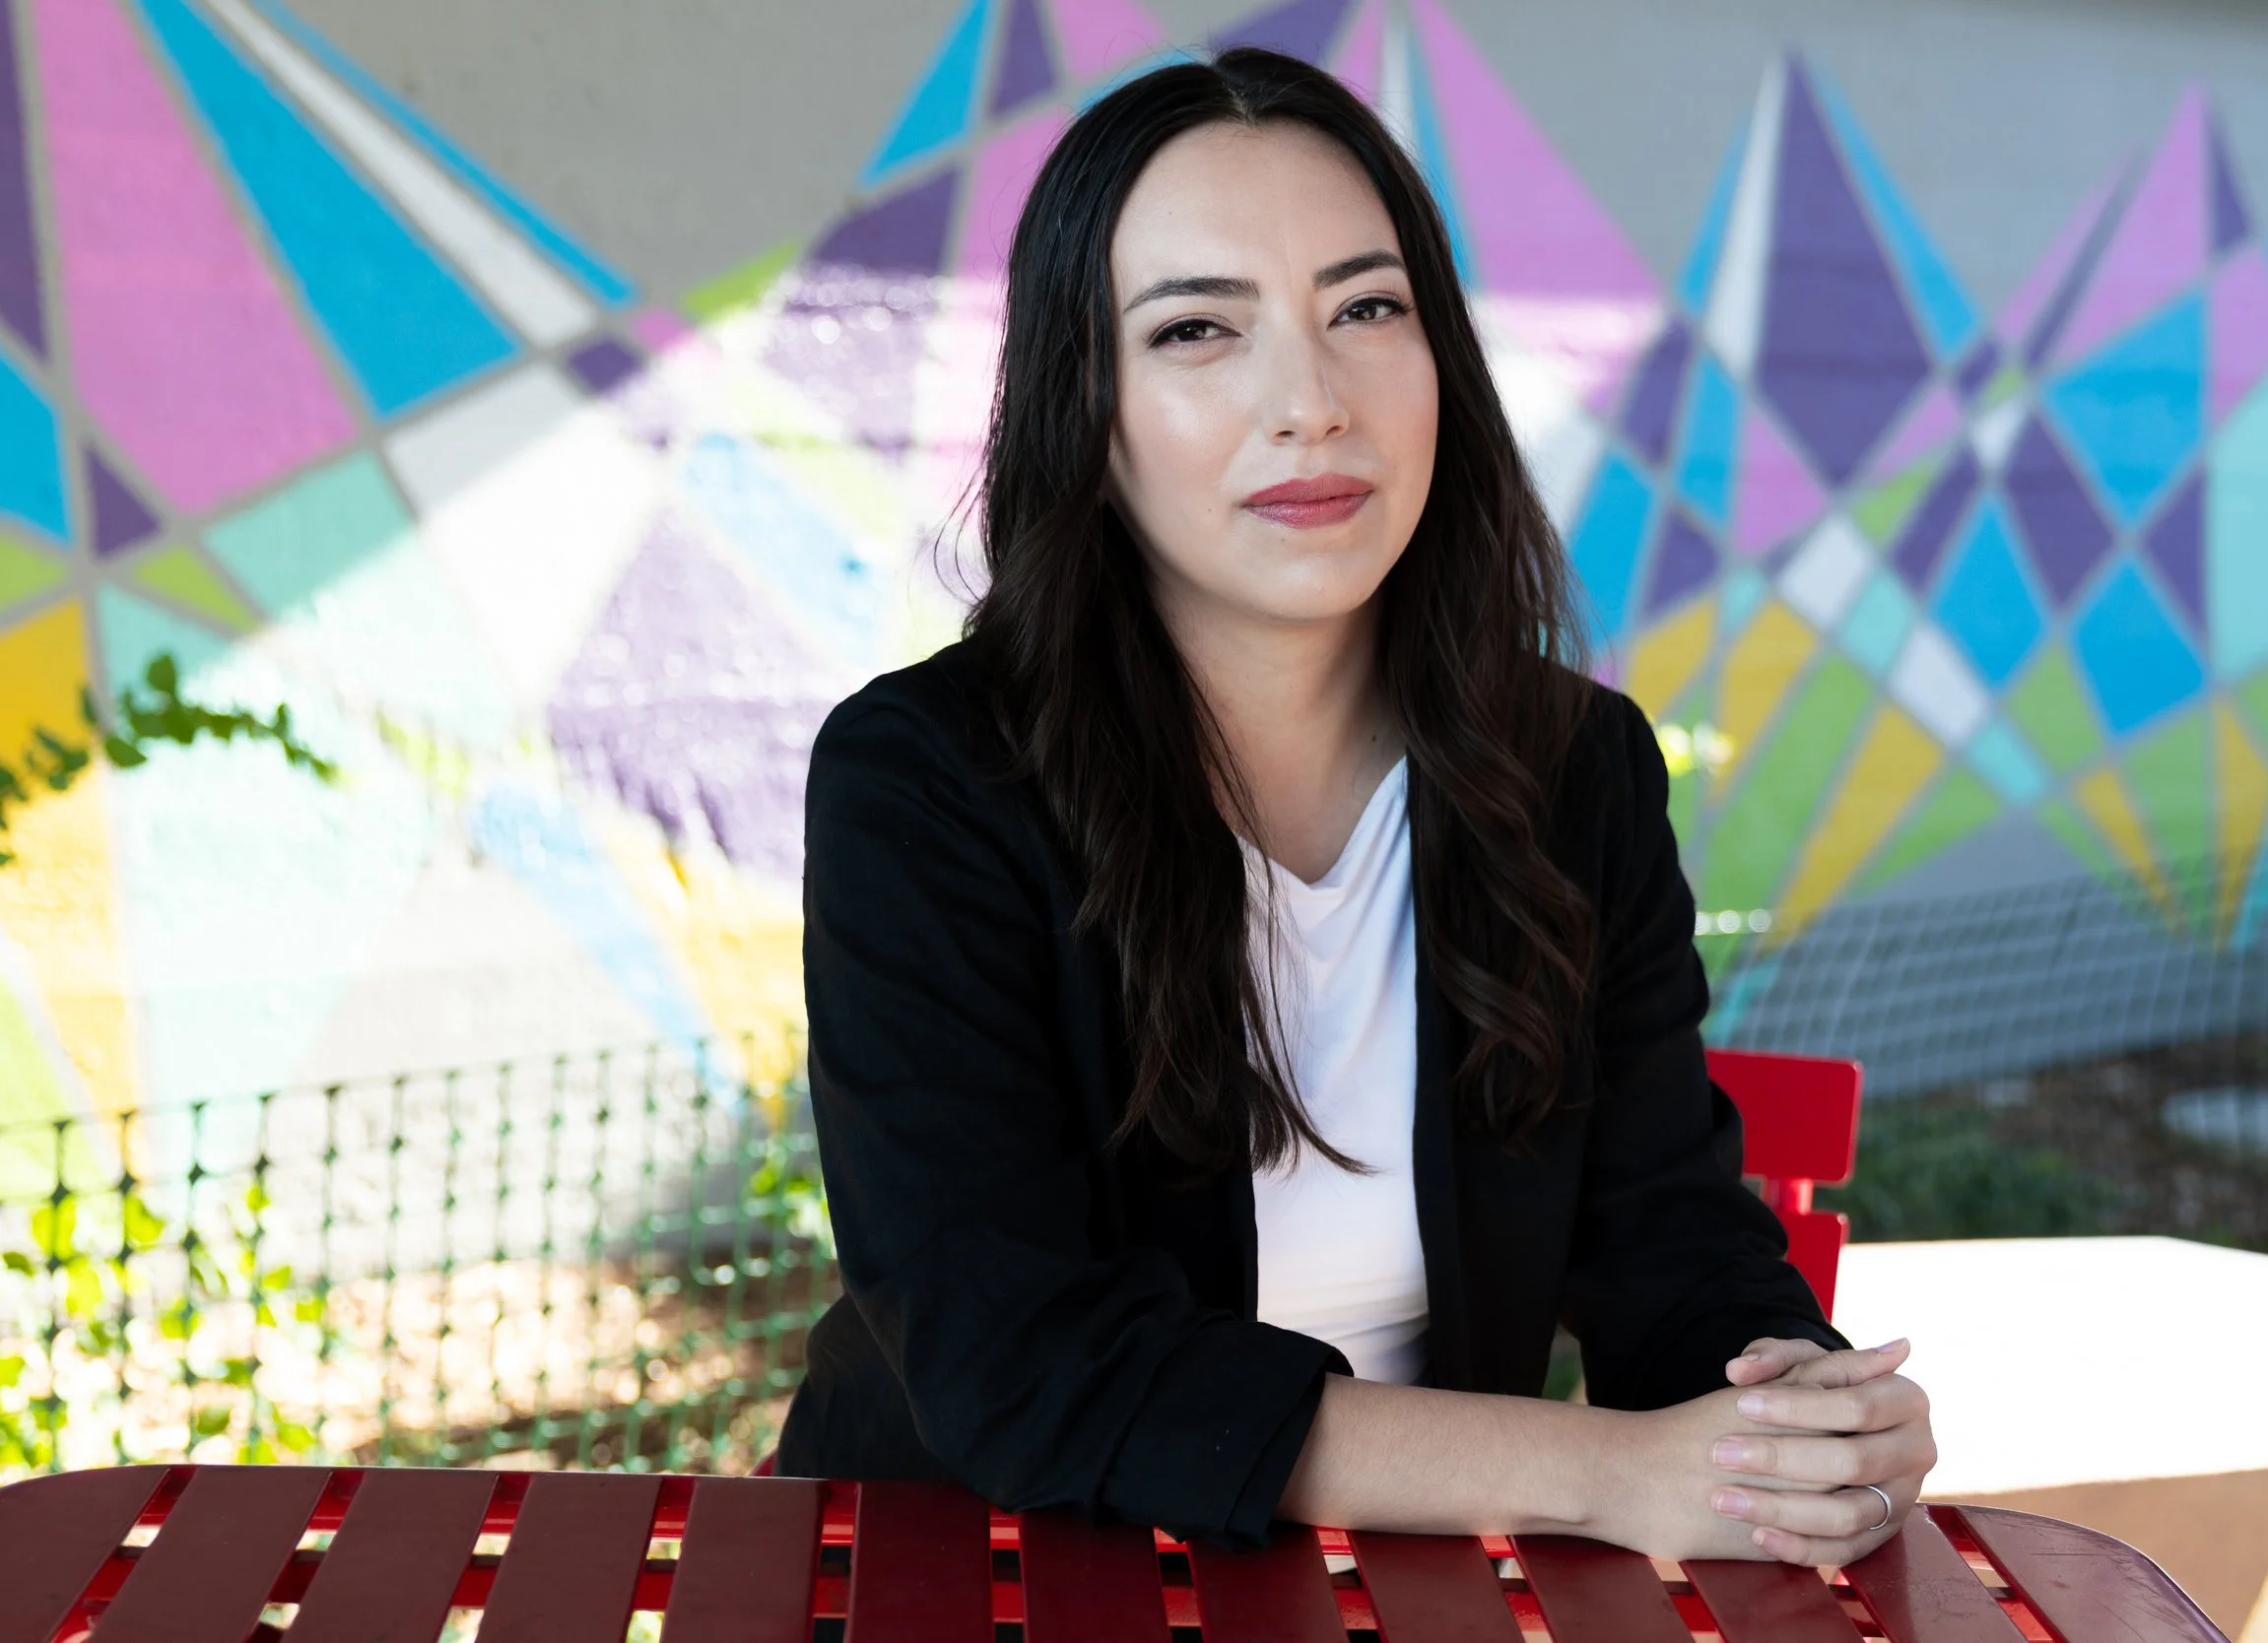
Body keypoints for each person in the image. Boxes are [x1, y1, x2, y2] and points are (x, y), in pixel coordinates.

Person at [774, 44, 1936, 1566]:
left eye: (1365, 309)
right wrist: (1606, 1473)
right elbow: (1025, 1363)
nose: (1310, 403)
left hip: (1395, 1589)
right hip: (986, 1571)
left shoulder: (1571, 768)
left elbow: (1671, 1240)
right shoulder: (926, 781)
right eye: (1198, 330)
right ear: (1088, 405)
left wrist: (1795, 1414)